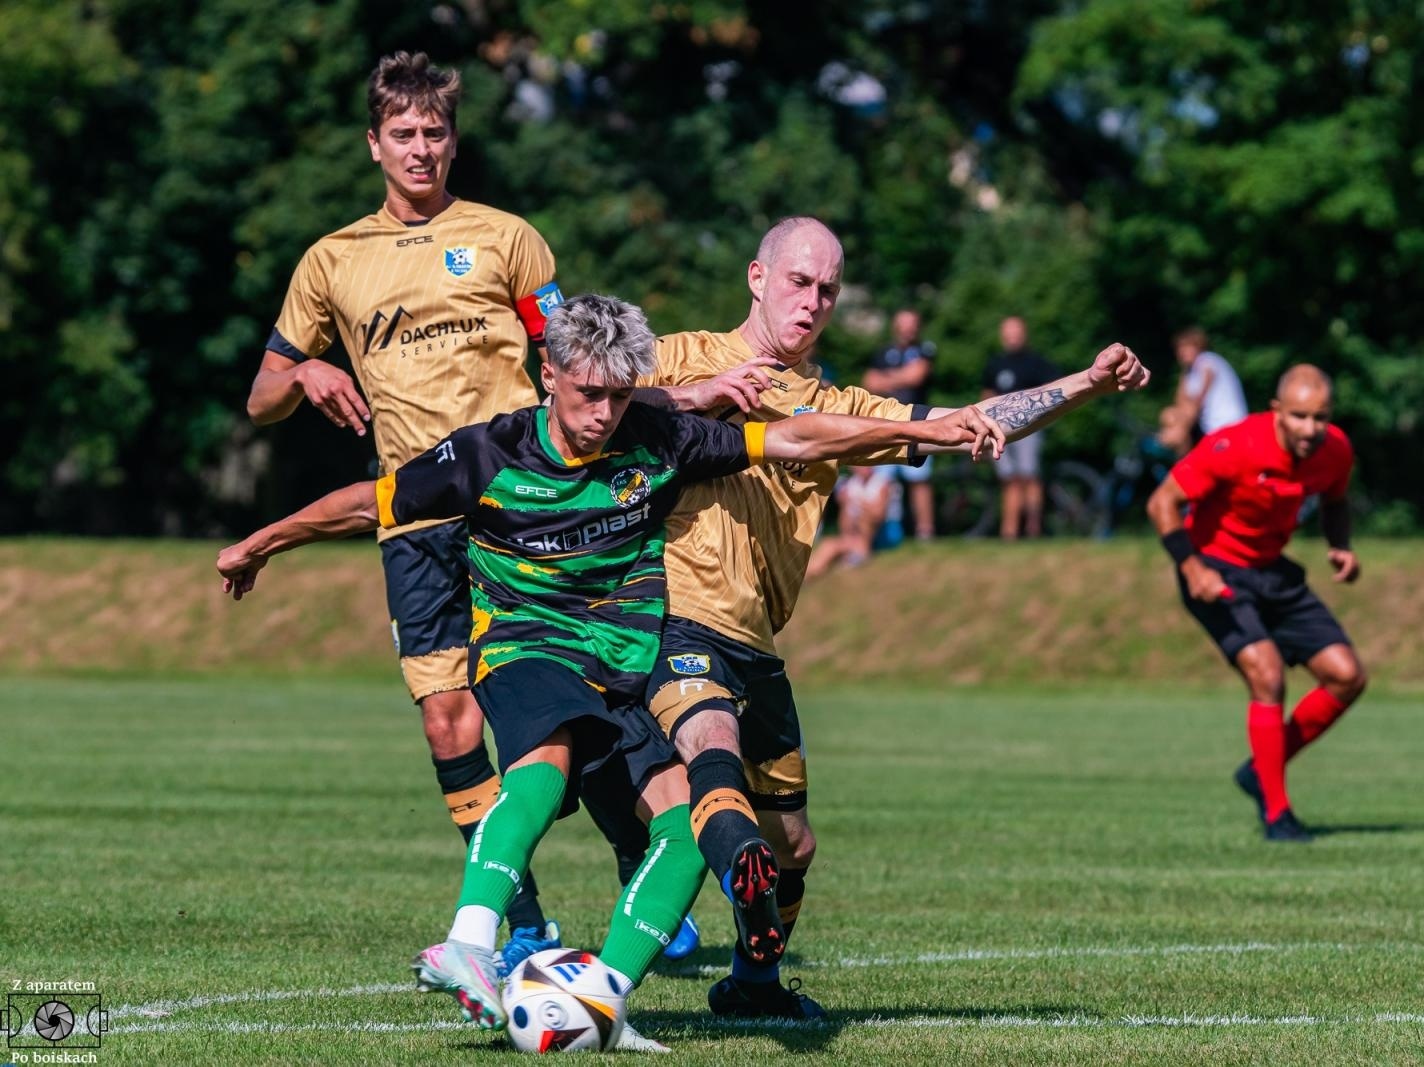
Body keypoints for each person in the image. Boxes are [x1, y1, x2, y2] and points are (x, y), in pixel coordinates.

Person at [217, 294, 1003, 1035]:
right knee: (549, 757)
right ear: (548, 375)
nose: (603, 415)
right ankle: (469, 937)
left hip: (628, 661)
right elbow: (367, 502)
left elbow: (794, 435)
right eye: (589, 393)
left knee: (690, 824)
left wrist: (937, 433)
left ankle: (600, 999)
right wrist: (261, 542)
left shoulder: (658, 439)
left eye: (620, 397)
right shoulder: (488, 452)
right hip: (525, 642)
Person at [239, 51, 736, 973]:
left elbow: (578, 359)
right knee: (449, 725)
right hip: (421, 519)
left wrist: (683, 397)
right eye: (403, 134)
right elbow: (261, 397)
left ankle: (640, 866)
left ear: (454, 141)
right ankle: (525, 923)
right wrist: (305, 369)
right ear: (373, 145)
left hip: (525, 507)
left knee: (559, 710)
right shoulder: (330, 261)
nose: (420, 149)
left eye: (435, 133)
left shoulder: (509, 239)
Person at [636, 217, 1150, 1019]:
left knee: (795, 844)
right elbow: (584, 403)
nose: (813, 302)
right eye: (800, 282)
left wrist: (1084, 383)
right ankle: (611, 950)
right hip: (669, 615)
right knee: (713, 746)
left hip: (754, 637)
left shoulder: (837, 405)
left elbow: (969, 419)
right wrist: (691, 396)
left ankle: (753, 984)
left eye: (828, 290)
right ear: (757, 277)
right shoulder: (676, 354)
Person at [1145, 364, 1367, 843]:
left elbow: (1335, 499)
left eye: (1320, 418)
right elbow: (1162, 503)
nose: (1310, 429)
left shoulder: (1335, 450)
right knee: (1267, 673)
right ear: (1277, 413)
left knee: (1347, 676)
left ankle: (1260, 769)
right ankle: (1278, 814)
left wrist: (1341, 545)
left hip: (1272, 570)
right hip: (1215, 571)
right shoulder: (1235, 445)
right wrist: (1192, 568)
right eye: (1300, 416)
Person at [981, 316, 1062, 539]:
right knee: (1009, 480)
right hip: (999, 430)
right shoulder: (995, 364)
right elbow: (986, 396)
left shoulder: (1036, 363)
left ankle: (1033, 528)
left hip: (1029, 429)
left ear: (1024, 334)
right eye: (1008, 332)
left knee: (1029, 476)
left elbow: (1053, 391)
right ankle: (1009, 531)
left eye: (1016, 332)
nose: (1012, 337)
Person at [863, 309, 937, 540]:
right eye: (903, 323)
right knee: (883, 480)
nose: (908, 328)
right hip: (887, 422)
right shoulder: (884, 351)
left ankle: (925, 530)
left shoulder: (925, 350)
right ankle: (881, 532)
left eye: (912, 323)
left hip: (918, 422)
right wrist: (901, 377)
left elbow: (917, 376)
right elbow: (869, 382)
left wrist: (887, 380)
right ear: (896, 326)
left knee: (919, 480)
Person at [1158, 326, 1248, 454]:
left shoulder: (1207, 361)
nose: (1182, 352)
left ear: (1198, 347)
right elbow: (1180, 403)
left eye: (1187, 347)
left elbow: (1198, 402)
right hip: (1213, 429)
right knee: (1169, 415)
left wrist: (1179, 430)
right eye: (1179, 348)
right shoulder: (1190, 372)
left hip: (1229, 424)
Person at [805, 465, 900, 578]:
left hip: (884, 532)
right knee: (828, 545)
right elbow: (844, 525)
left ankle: (862, 552)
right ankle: (807, 575)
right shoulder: (850, 485)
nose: (865, 467)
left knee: (865, 516)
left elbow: (879, 516)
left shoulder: (883, 483)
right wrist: (845, 505)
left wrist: (860, 504)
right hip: (856, 534)